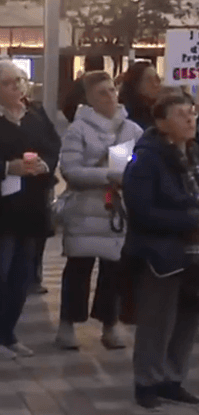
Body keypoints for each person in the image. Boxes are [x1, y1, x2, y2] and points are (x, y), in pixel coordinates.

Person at [0, 60, 60, 359]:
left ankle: (8, 333)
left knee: (23, 274)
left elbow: (53, 146)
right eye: (8, 83)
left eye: (20, 81)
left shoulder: (36, 114)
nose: (16, 87)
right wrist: (7, 168)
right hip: (0, 205)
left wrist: (44, 164)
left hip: (33, 202)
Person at [121, 91, 199, 410]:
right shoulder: (147, 158)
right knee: (157, 320)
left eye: (192, 112)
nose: (190, 119)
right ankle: (147, 382)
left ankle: (172, 378)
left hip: (193, 253)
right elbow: (141, 210)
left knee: (188, 318)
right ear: (162, 123)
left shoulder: (193, 153)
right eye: (181, 114)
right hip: (160, 252)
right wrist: (190, 218)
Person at [57, 70, 143, 351]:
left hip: (117, 210)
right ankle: (68, 324)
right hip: (86, 208)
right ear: (89, 99)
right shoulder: (78, 129)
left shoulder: (131, 129)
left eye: (111, 90)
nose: (109, 96)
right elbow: (70, 169)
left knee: (114, 271)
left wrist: (129, 177)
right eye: (101, 93)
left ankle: (109, 324)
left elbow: (141, 164)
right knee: (78, 269)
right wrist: (108, 176)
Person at [119, 59, 163, 131]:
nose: (155, 84)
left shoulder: (162, 113)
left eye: (157, 78)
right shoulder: (125, 117)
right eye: (149, 80)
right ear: (136, 85)